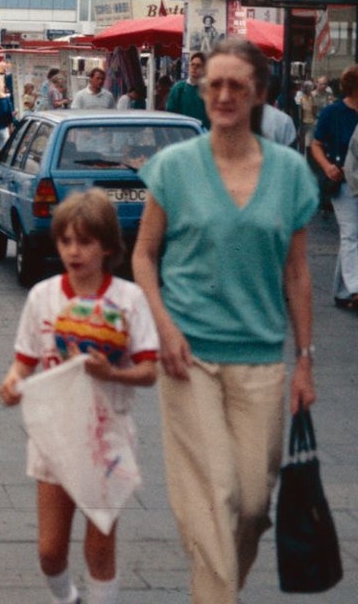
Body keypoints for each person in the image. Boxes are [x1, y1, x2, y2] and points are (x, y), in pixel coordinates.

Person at [133, 38, 318, 603]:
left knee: (254, 504)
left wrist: (305, 361)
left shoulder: (289, 174)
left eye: (238, 85)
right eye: (214, 84)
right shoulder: (173, 168)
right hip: (190, 357)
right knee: (216, 492)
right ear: (201, 89)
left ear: (259, 93)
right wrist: (163, 326)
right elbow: (143, 255)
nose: (224, 95)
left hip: (261, 360)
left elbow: (297, 274)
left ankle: (211, 591)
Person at [0, 190, 159, 604]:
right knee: (50, 551)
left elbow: (148, 370)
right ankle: (67, 597)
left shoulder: (128, 301)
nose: (73, 251)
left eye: (85, 242)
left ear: (107, 246)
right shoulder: (43, 297)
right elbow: (25, 362)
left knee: (100, 546)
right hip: (55, 438)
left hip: (107, 439)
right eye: (66, 241)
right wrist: (13, 383)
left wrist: (113, 372)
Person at [310, 64, 358, 308]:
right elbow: (316, 144)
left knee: (353, 235)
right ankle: (355, 288)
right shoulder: (333, 112)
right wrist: (327, 166)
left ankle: (342, 291)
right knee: (351, 233)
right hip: (342, 181)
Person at [164, 52, 208, 125]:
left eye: (198, 65)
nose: (194, 68)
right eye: (192, 65)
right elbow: (170, 114)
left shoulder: (209, 91)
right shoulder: (179, 89)